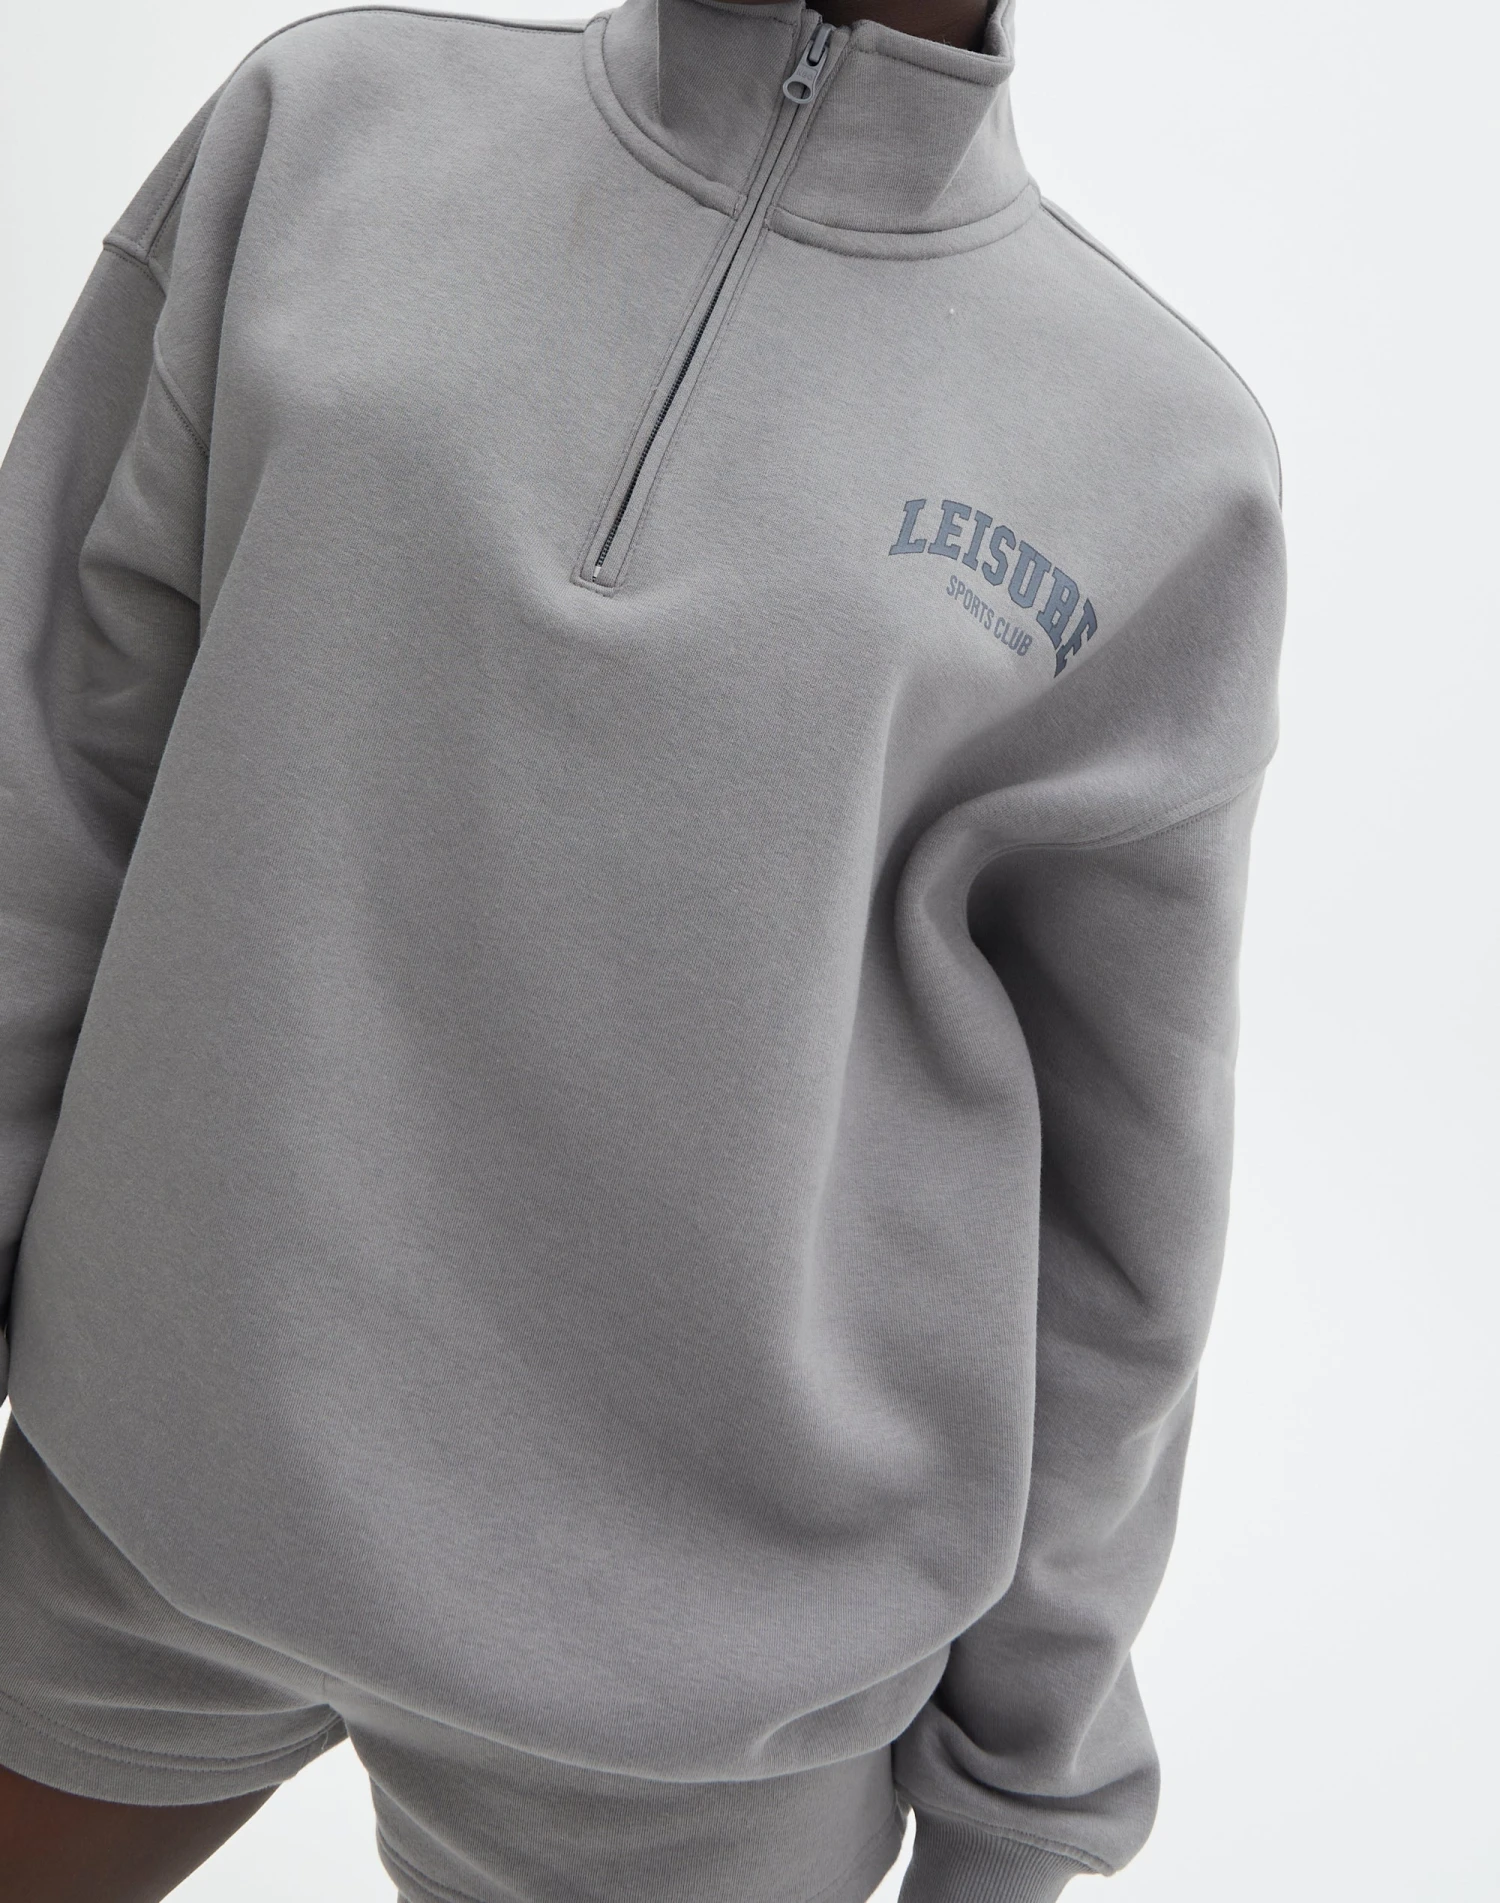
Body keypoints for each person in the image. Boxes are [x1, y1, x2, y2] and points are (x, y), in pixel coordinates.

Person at [0, 0, 1287, 1897]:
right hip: (142, 1507)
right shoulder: (326, 127)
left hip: (706, 1704)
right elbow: (49, 779)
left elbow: (1123, 1213)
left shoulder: (1160, 459)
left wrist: (1022, 1799)